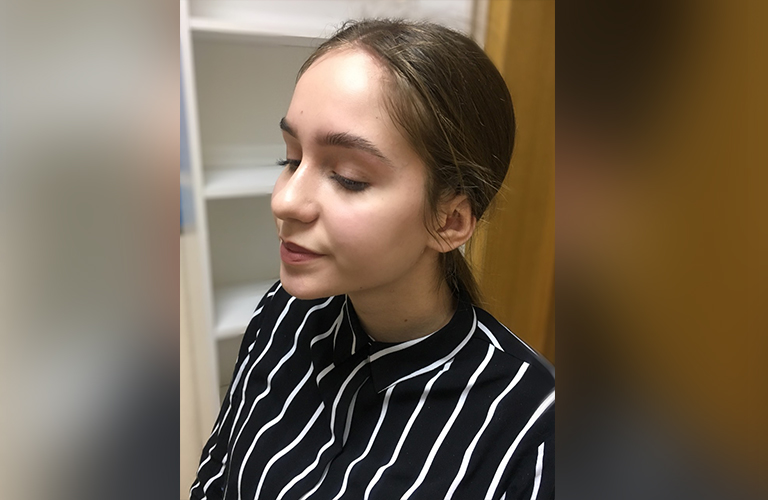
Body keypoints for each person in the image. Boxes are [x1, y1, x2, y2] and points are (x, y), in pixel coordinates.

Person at [190, 19, 554, 500]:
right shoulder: (283, 313)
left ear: (449, 221)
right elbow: (217, 473)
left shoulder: (532, 430)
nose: (284, 200)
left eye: (348, 177)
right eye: (291, 159)